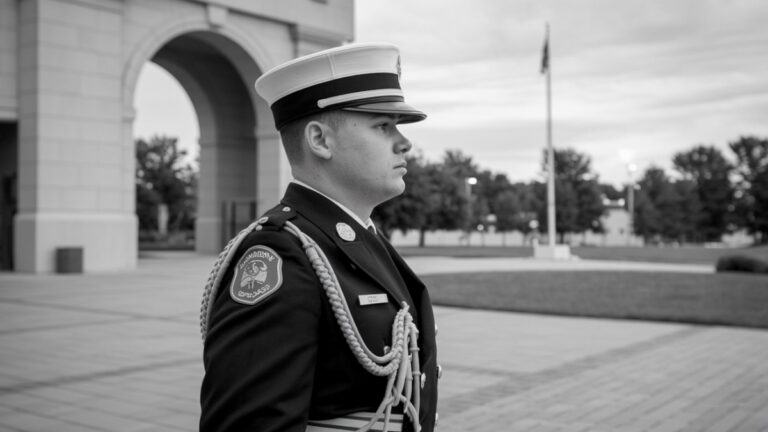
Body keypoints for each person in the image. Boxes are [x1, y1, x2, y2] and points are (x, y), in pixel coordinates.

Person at [199, 42, 440, 432]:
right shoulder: (281, 252)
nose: (404, 141)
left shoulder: (355, 238)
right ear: (320, 140)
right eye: (382, 125)